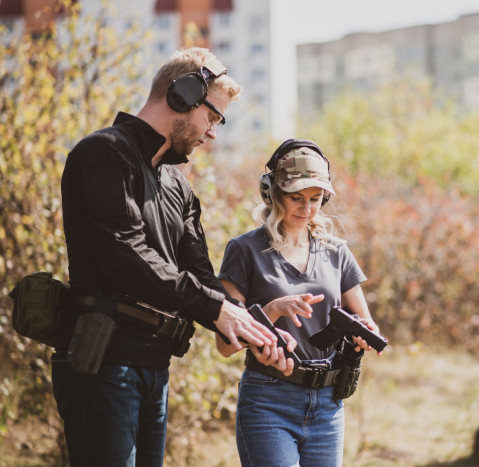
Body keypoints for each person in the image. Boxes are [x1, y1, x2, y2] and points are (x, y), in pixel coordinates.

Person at [52, 47, 294, 467]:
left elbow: (201, 278)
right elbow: (124, 254)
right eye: (214, 116)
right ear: (181, 95)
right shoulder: (103, 154)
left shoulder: (177, 186)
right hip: (103, 362)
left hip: (154, 365)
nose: (214, 132)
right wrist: (216, 308)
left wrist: (257, 329)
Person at [216, 138, 383, 467]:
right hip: (268, 398)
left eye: (316, 199)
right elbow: (224, 344)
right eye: (296, 197)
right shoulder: (244, 250)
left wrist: (365, 333)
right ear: (272, 192)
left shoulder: (337, 252)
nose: (307, 209)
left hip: (328, 403)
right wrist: (275, 309)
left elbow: (365, 321)